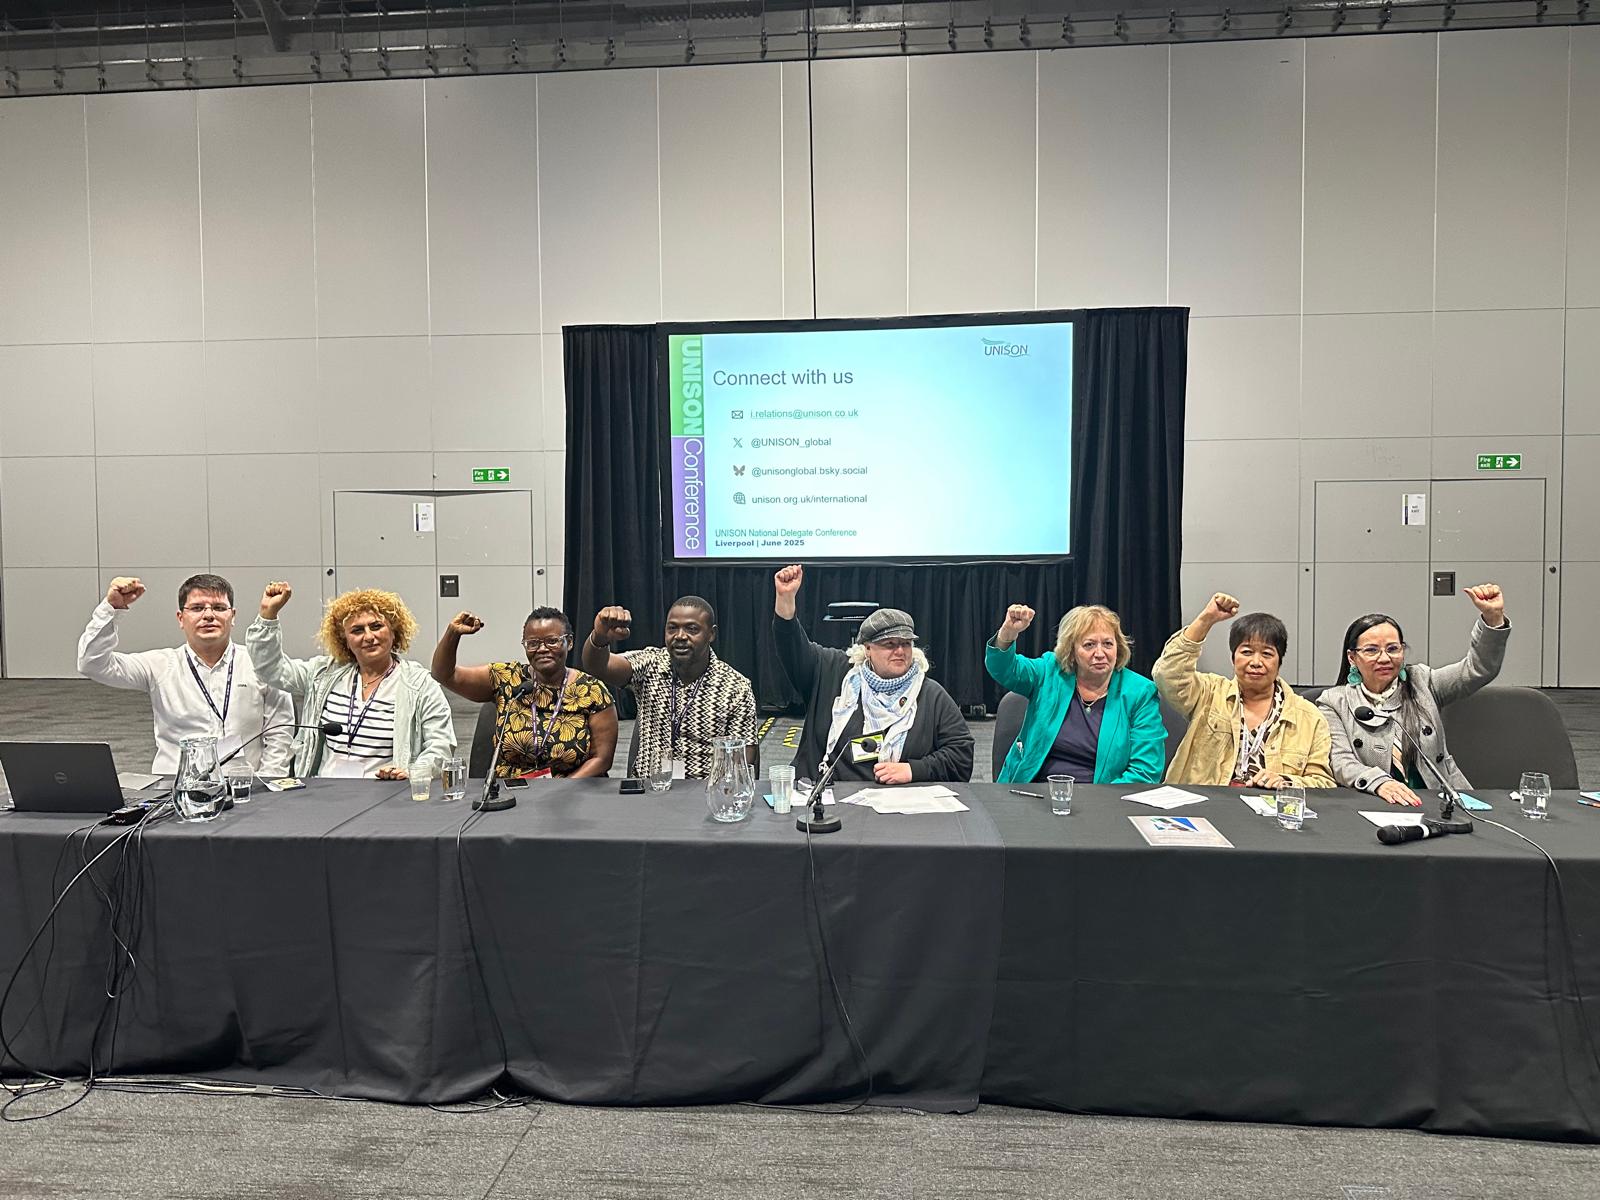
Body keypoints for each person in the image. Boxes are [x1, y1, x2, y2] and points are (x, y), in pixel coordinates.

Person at [771, 565, 973, 785]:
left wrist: (914, 770)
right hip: (826, 793)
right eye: (889, 644)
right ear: (867, 649)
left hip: (894, 799)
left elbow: (961, 755)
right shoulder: (833, 672)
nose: (900, 651)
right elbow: (791, 647)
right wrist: (785, 599)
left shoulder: (929, 695)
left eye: (906, 643)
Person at [75, 574, 294, 776]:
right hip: (175, 788)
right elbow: (92, 664)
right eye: (197, 608)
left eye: (219, 608)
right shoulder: (160, 665)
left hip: (245, 790)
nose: (208, 615)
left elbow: (280, 733)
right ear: (181, 618)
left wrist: (267, 787)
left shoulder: (262, 665)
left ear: (232, 616)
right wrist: (112, 608)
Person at [1317, 584, 1511, 807]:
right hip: (1375, 802)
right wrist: (1380, 783)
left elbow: (1477, 669)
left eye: (1393, 649)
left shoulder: (1423, 681)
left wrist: (1493, 619)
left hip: (1440, 800)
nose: (1384, 658)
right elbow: (1341, 761)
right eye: (1371, 650)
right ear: (1352, 658)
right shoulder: (1334, 702)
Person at [246, 582, 455, 780]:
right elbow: (270, 669)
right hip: (325, 792)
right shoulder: (323, 674)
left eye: (376, 626)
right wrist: (268, 615)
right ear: (344, 640)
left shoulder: (420, 684)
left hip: (386, 793)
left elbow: (441, 745)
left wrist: (411, 773)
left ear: (394, 632)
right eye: (357, 630)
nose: (369, 636)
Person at [1153, 592, 1334, 788]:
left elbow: (1323, 783)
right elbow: (1167, 674)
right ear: (1233, 658)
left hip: (1269, 804)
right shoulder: (1209, 693)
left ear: (1279, 661)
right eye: (1247, 652)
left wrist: (1287, 781)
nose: (1256, 662)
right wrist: (1206, 619)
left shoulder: (1309, 717)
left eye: (1267, 654)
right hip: (1206, 800)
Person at [985, 602, 1166, 785]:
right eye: (1089, 645)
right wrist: (1008, 633)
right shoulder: (1049, 671)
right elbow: (1004, 669)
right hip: (1033, 789)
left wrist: (1099, 800)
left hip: (1102, 796)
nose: (1100, 653)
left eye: (1108, 644)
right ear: (1071, 651)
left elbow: (1145, 771)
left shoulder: (1140, 693)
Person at [580, 595, 757, 780]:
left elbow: (742, 763)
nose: (680, 636)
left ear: (711, 634)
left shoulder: (735, 688)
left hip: (705, 791)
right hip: (649, 788)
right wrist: (599, 637)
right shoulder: (650, 664)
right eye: (672, 628)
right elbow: (598, 667)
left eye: (692, 629)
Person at [431, 606, 617, 778]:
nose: (542, 649)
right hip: (512, 790)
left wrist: (561, 788)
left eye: (552, 641)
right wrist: (453, 634)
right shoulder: (506, 677)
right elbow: (444, 674)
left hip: (572, 790)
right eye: (533, 643)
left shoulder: (592, 691)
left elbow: (601, 759)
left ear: (569, 643)